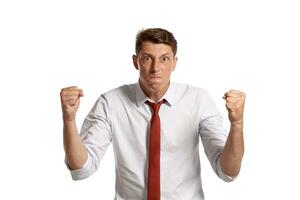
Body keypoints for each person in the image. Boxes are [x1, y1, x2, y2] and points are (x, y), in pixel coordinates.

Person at [60, 28, 245, 200]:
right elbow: (81, 168)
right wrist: (69, 120)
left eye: (164, 59)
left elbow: (227, 171)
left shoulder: (199, 100)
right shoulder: (110, 103)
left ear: (174, 63)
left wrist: (237, 125)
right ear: (135, 61)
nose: (155, 68)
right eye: (147, 58)